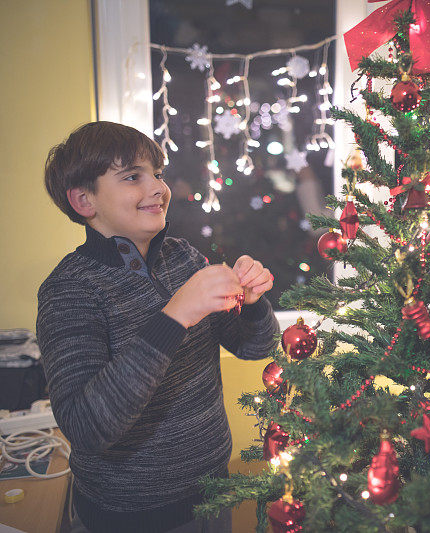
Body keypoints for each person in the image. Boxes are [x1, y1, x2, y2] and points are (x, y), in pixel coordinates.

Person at [36, 121, 281, 533]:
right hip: (130, 515)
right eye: (133, 177)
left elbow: (256, 347)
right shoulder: (69, 289)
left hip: (214, 491)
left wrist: (254, 306)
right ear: (83, 200)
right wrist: (174, 316)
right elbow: (85, 426)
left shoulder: (182, 256)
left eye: (158, 173)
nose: (158, 188)